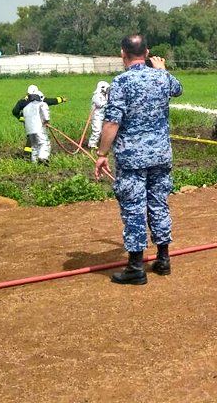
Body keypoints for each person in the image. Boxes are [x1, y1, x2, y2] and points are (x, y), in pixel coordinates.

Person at [95, 35, 183, 285]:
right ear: (147, 52)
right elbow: (178, 89)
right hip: (160, 156)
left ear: (123, 53)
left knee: (134, 208)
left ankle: (135, 266)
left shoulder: (121, 82)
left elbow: (112, 122)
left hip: (133, 159)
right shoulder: (162, 78)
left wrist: (102, 154)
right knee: (159, 204)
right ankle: (163, 259)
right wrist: (162, 70)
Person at [12, 85, 66, 157]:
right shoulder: (39, 99)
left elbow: (15, 111)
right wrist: (62, 99)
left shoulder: (22, 101)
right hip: (37, 122)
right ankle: (31, 154)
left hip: (28, 122)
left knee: (32, 136)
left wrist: (21, 118)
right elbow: (51, 101)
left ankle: (30, 154)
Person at [22, 89, 51, 164]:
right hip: (38, 128)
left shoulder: (26, 107)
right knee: (44, 142)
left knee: (34, 146)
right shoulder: (42, 104)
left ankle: (34, 162)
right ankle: (43, 157)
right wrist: (46, 122)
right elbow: (46, 116)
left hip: (29, 130)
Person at [87, 81, 110, 150]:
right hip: (97, 116)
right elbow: (99, 104)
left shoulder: (105, 95)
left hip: (104, 115)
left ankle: (103, 144)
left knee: (105, 130)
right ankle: (92, 144)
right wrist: (107, 103)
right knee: (97, 130)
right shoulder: (96, 96)